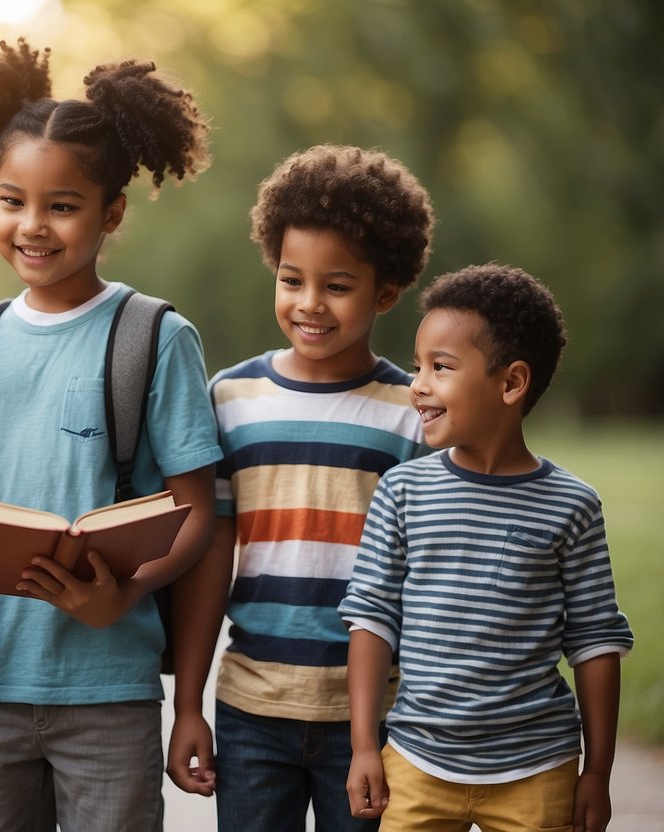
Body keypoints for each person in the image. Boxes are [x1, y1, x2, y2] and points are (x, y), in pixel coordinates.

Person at [0, 38, 221, 832]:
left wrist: (120, 595)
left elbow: (198, 511)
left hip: (108, 685)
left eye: (61, 206)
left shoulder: (153, 337)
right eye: (11, 199)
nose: (32, 226)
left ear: (111, 212)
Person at [179, 144, 435, 830]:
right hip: (249, 707)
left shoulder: (412, 412)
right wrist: (185, 706)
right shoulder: (231, 397)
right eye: (291, 280)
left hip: (372, 718)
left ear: (385, 292)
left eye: (337, 286)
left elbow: (428, 576)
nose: (309, 304)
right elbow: (209, 557)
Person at [339, 264, 634, 832]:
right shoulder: (402, 492)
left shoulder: (572, 506)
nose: (418, 384)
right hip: (418, 760)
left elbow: (595, 641)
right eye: (418, 365)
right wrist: (363, 746)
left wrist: (598, 771)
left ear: (511, 383)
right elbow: (371, 619)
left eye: (441, 368)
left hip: (537, 769)